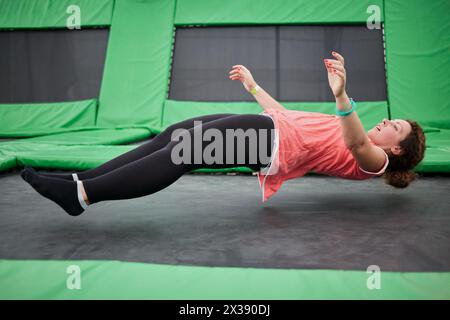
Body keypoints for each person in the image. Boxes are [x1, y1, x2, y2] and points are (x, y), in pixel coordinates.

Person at [21, 51, 426, 216]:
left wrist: (342, 94)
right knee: (171, 136)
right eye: (393, 120)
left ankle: (83, 196)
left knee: (182, 152)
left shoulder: (376, 162)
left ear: (397, 150)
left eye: (397, 128)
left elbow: (356, 143)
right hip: (270, 128)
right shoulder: (344, 124)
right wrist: (252, 86)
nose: (388, 123)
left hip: (269, 143)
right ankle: (82, 179)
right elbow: (284, 115)